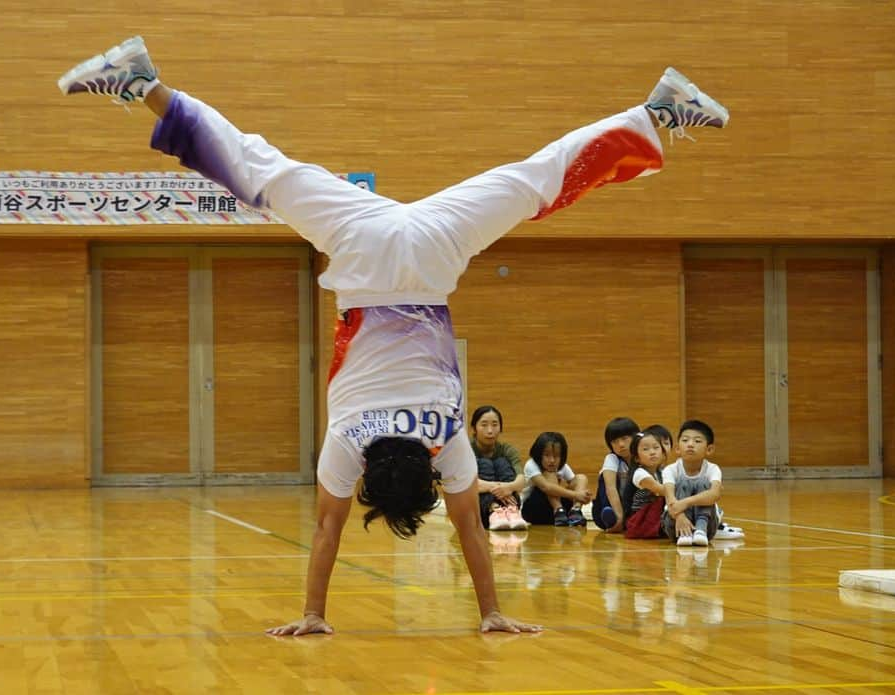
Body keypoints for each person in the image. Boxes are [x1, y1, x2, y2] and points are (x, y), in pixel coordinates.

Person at [59, 36, 728, 635]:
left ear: (430, 474)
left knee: (533, 183)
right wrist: (312, 613)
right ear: (371, 478)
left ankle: (659, 110)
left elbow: (469, 529)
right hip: (361, 250)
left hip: (432, 253)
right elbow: (328, 527)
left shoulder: (444, 436)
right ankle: (142, 79)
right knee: (260, 172)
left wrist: (492, 610)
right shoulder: (347, 441)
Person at [662, 419, 723, 547]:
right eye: (685, 440)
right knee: (682, 482)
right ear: (678, 448)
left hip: (707, 530)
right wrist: (680, 517)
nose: (690, 444)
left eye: (697, 441)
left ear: (709, 449)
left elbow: (715, 494)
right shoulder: (670, 470)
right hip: (675, 526)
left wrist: (686, 502)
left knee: (703, 482)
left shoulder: (712, 469)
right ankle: (686, 533)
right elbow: (670, 498)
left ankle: (700, 527)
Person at [469, 405, 528, 530]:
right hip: (476, 507)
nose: (490, 430)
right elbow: (468, 483)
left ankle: (511, 511)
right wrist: (500, 488)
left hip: (507, 501)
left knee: (501, 463)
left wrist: (509, 487)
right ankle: (494, 510)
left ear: (500, 428)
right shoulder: (466, 450)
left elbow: (521, 481)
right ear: (474, 428)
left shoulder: (508, 450)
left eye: (495, 425)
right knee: (484, 464)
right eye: (484, 425)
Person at [520, 431, 591, 527]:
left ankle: (576, 511)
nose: (552, 460)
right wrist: (576, 495)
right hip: (535, 509)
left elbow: (575, 484)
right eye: (547, 455)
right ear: (538, 454)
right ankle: (558, 510)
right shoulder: (531, 464)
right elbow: (546, 487)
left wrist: (583, 496)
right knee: (550, 474)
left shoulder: (563, 466)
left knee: (581, 478)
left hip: (560, 514)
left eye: (556, 456)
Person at [593, 416, 639, 532]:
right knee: (605, 479)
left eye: (624, 438)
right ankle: (611, 518)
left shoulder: (642, 458)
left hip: (632, 507)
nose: (621, 445)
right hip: (609, 508)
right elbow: (610, 488)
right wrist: (619, 518)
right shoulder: (612, 458)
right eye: (615, 441)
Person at [622, 428, 667, 539]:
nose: (652, 452)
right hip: (642, 519)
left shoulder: (661, 471)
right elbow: (663, 490)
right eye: (645, 449)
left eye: (656, 448)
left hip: (657, 514)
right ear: (637, 458)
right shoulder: (640, 474)